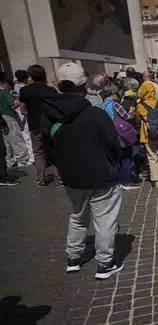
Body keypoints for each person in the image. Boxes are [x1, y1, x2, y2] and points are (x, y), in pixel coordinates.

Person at [40, 62, 123, 279]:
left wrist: (63, 166)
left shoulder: (49, 115)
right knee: (104, 221)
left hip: (71, 177)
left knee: (78, 216)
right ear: (84, 86)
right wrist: (112, 164)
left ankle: (74, 257)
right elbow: (113, 145)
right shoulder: (96, 114)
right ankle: (105, 264)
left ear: (59, 85)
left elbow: (48, 149)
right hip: (101, 176)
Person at [18, 64, 61, 187]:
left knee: (38, 152)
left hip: (34, 125)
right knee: (53, 149)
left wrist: (31, 114)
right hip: (50, 124)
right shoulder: (50, 90)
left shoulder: (24, 90)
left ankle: (40, 179)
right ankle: (58, 177)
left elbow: (23, 110)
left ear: (30, 76)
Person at [100, 83, 139, 190]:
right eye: (117, 93)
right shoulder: (115, 105)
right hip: (120, 134)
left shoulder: (103, 105)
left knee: (117, 158)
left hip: (109, 133)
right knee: (126, 158)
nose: (118, 95)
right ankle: (127, 182)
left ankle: (119, 181)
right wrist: (132, 110)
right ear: (112, 94)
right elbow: (127, 117)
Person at [0, 78, 30, 168]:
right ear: (7, 85)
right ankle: (22, 160)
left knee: (6, 141)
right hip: (8, 117)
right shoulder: (5, 93)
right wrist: (20, 102)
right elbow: (12, 107)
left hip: (1, 118)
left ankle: (8, 161)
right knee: (16, 138)